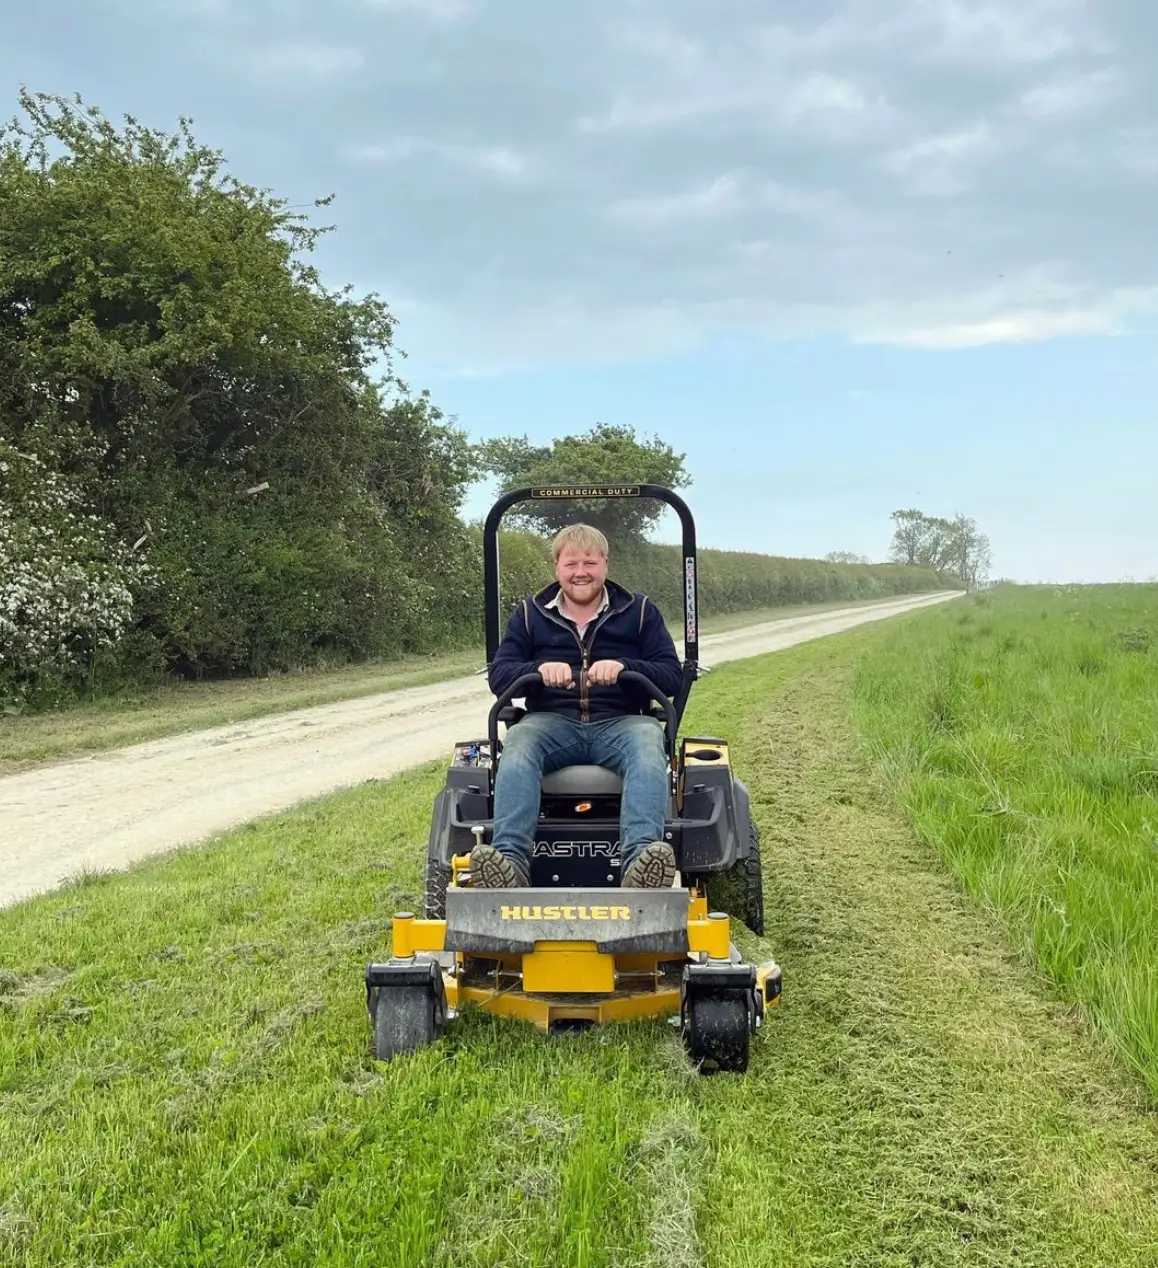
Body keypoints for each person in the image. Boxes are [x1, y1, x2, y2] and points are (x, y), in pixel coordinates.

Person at [472, 523, 684, 890]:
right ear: (556, 566)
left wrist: (625, 668)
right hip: (551, 724)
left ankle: (641, 867)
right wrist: (537, 670)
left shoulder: (640, 612)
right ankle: (508, 866)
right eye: (571, 564)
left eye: (590, 562)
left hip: (622, 723)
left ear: (605, 564)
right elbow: (500, 676)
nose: (581, 572)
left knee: (649, 746)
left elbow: (671, 675)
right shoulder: (528, 615)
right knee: (520, 743)